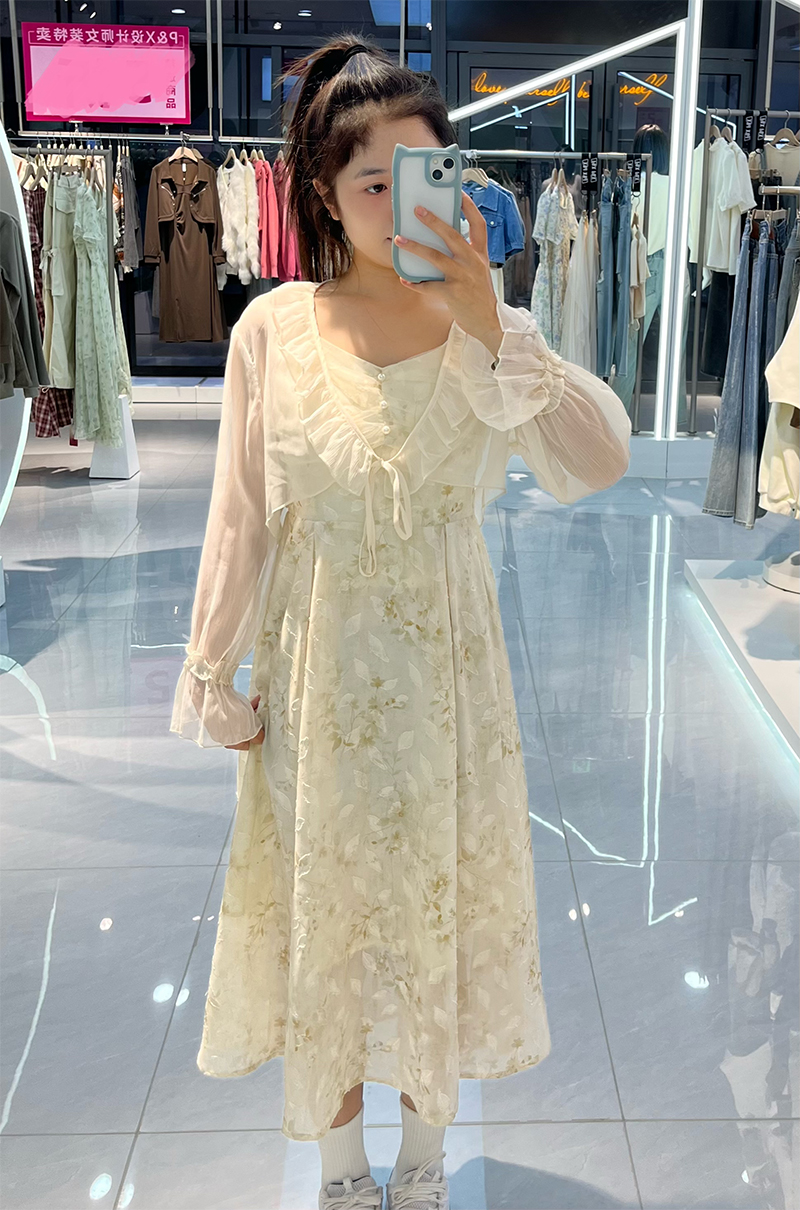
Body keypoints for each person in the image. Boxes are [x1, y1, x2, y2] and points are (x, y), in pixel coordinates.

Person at [169, 32, 632, 1210]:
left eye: (417, 175)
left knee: (435, 912)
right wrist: (211, 670)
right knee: (322, 919)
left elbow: (595, 463)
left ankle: (422, 1165)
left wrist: (492, 318)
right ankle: (340, 1174)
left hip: (447, 695)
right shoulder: (272, 329)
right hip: (313, 686)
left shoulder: (490, 335)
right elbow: (241, 517)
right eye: (368, 181)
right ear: (322, 192)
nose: (393, 203)